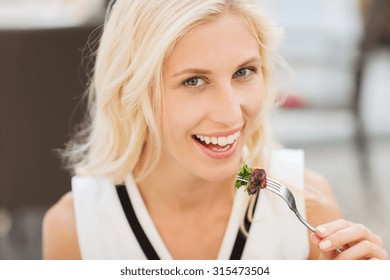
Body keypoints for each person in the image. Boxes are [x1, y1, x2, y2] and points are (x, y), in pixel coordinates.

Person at [42, 0, 388, 260]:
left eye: (243, 72)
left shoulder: (307, 206)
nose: (230, 113)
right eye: (194, 80)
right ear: (131, 92)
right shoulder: (75, 228)